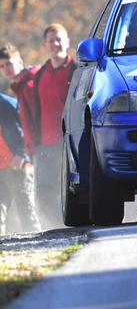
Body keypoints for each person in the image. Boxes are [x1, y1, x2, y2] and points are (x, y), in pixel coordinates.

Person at [34, 23, 77, 228]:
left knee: (70, 189)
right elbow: (34, 110)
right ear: (45, 44)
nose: (56, 44)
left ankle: (73, 227)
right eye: (51, 40)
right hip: (44, 144)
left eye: (59, 39)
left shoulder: (76, 71)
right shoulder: (41, 74)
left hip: (68, 142)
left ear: (67, 42)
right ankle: (56, 228)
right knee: (43, 191)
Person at [0, 92, 40, 234]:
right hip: (2, 168)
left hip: (16, 165)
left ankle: (37, 245)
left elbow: (23, 128)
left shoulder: (4, 103)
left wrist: (20, 153)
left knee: (26, 211)